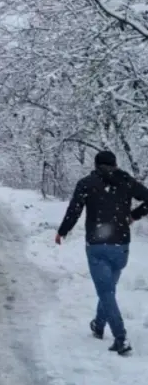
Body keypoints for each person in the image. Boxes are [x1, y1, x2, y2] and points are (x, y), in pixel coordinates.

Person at [55, 150, 148, 356]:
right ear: (114, 164)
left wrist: (62, 231)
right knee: (108, 289)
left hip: (97, 246)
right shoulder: (125, 181)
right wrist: (134, 215)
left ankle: (121, 338)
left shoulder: (87, 183)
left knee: (106, 291)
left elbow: (74, 210)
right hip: (121, 246)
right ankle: (98, 325)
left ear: (96, 165)